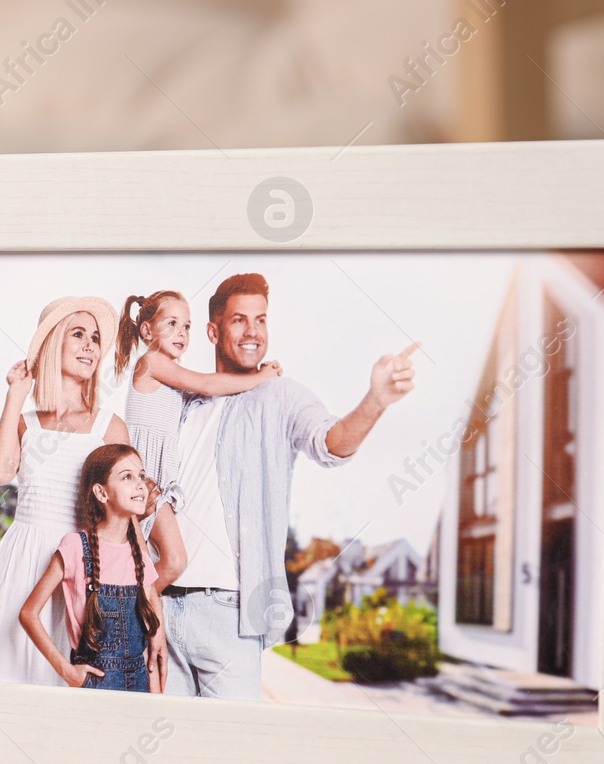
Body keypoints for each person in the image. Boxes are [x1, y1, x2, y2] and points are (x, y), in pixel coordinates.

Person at [163, 273, 417, 700]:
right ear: (213, 330)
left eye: (261, 320)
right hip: (162, 606)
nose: (253, 332)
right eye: (240, 320)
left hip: (230, 613)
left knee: (230, 753)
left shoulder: (281, 396)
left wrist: (375, 401)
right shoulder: (181, 401)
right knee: (166, 754)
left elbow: (331, 443)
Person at [0, 296, 130, 685]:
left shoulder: (109, 426)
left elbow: (123, 517)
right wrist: (16, 394)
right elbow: (0, 473)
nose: (90, 345)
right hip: (20, 561)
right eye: (78, 334)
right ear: (54, 343)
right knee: (2, 671)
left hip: (80, 566)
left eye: (94, 338)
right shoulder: (26, 422)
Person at [113, 289, 282, 604]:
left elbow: (208, 395)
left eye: (187, 326)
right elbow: (207, 384)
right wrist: (261, 376)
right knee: (174, 561)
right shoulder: (152, 362)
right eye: (172, 324)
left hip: (155, 481)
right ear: (147, 330)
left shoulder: (168, 377)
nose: (181, 333)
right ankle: (126, 607)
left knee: (148, 560)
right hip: (146, 480)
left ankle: (133, 608)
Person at [20, 444, 164, 692]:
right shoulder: (76, 546)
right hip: (96, 683)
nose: (141, 484)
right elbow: (28, 614)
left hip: (140, 683)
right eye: (127, 477)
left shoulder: (139, 553)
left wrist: (157, 695)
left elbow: (152, 617)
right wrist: (68, 671)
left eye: (141, 475)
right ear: (101, 492)